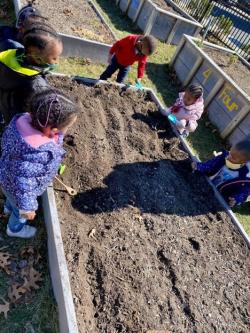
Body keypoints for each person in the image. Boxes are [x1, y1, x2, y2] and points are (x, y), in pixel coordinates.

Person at [0, 89, 79, 238]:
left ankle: (8, 208)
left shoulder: (22, 122)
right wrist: (27, 208)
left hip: (7, 179)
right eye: (66, 127)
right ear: (52, 129)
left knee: (11, 200)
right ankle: (14, 229)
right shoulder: (34, 153)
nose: (65, 130)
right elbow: (23, 185)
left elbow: (55, 136)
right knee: (20, 212)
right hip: (17, 190)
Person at [0, 22, 63, 124]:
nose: (57, 61)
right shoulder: (38, 86)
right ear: (37, 58)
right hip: (15, 117)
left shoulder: (7, 48)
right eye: (54, 58)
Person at [192, 138, 250, 207]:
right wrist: (199, 166)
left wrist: (236, 199)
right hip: (203, 183)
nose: (229, 157)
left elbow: (243, 193)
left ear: (244, 162)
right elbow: (210, 164)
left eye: (233, 158)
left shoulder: (245, 179)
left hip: (217, 198)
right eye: (230, 153)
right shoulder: (224, 157)